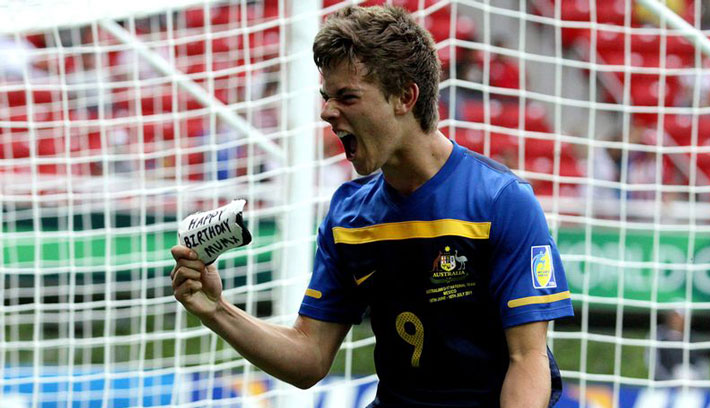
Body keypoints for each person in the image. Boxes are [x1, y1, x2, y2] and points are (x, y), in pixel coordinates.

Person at [170, 5, 574, 407]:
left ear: (404, 97)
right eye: (326, 97)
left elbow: (528, 359)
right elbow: (309, 357)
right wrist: (217, 311)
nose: (327, 112)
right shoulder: (349, 216)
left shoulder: (499, 200)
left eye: (347, 97)